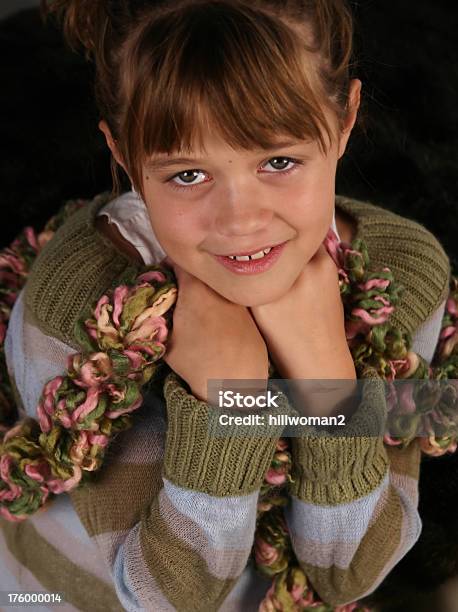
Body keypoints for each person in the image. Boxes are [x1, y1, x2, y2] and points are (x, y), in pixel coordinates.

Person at [0, 1, 452, 611]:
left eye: (279, 161)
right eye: (188, 174)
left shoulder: (405, 272)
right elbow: (163, 597)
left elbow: (351, 573)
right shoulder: (78, 314)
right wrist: (226, 396)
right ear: (124, 151)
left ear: (345, 119)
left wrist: (327, 377)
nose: (241, 221)